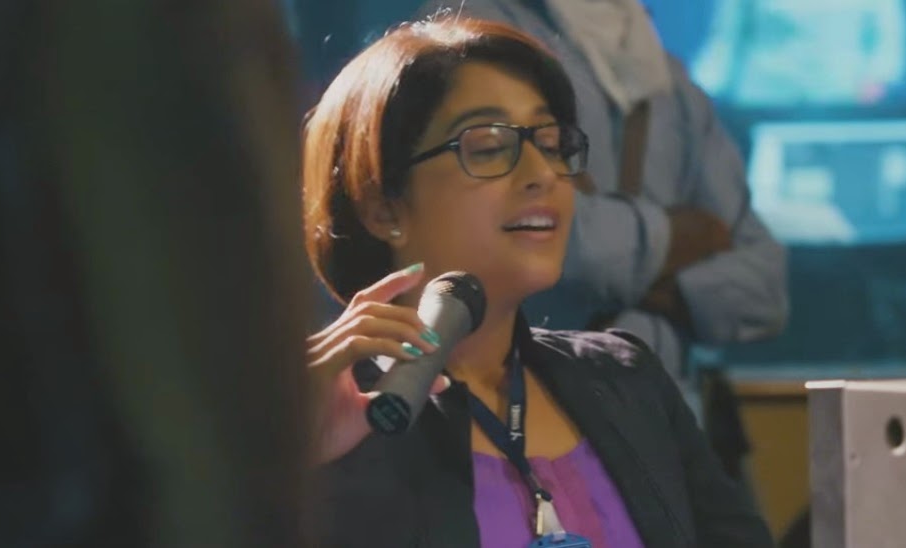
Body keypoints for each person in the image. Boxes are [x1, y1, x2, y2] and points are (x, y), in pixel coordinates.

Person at [302, 17, 774, 547]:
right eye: (487, 147)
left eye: (551, 143)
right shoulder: (331, 415)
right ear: (382, 207)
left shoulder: (625, 378)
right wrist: (284, 465)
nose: (543, 174)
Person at [413, 0, 788, 484]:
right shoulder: (471, 31)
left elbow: (765, 285)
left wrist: (624, 265)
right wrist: (678, 238)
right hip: (512, 420)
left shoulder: (667, 77)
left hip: (672, 434)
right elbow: (550, 244)